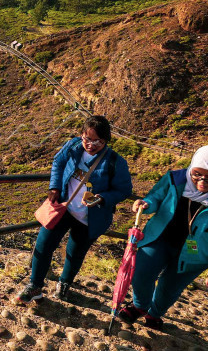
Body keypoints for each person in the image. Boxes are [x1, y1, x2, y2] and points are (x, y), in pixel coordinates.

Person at [119, 145, 208, 330]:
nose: (202, 181)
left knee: (169, 288)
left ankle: (154, 313)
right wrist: (147, 204)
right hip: (161, 238)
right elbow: (157, 196)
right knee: (140, 272)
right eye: (197, 174)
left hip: (196, 254)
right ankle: (140, 306)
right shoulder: (175, 179)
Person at [18, 115, 133, 302]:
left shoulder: (115, 162)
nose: (91, 144)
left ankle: (64, 283)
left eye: (98, 141)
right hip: (64, 208)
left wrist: (102, 198)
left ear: (106, 141)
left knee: (75, 253)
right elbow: (58, 162)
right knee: (43, 244)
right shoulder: (73, 146)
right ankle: (35, 286)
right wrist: (54, 186)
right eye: (87, 138)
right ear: (81, 135)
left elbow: (124, 190)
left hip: (90, 218)